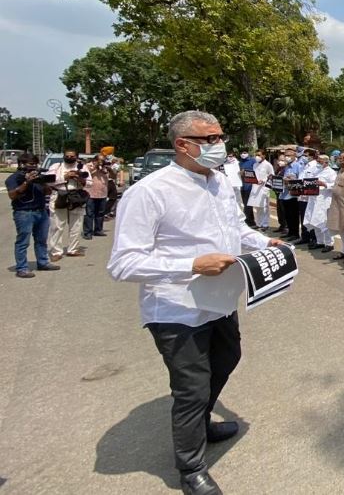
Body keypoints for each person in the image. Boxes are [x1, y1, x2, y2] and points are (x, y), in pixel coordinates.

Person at [108, 110, 282, 495]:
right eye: (209, 139)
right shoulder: (150, 191)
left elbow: (236, 228)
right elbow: (123, 263)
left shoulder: (220, 182)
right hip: (176, 309)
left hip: (220, 301)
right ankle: (191, 468)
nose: (219, 145)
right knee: (192, 388)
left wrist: (264, 242)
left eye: (220, 137)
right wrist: (190, 264)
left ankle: (202, 422)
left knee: (227, 359)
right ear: (182, 145)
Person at [6, 152, 60, 279]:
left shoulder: (38, 177)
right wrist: (27, 182)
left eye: (35, 164)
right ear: (22, 164)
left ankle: (43, 262)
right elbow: (12, 195)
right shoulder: (14, 178)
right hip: (24, 212)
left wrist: (42, 182)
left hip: (41, 211)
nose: (34, 166)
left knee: (41, 240)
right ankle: (22, 268)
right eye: (31, 164)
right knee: (23, 241)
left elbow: (48, 192)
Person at [47, 150, 88, 261]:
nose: (70, 157)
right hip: (60, 195)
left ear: (76, 157)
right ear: (63, 156)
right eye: (67, 156)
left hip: (76, 196)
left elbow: (90, 183)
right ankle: (56, 251)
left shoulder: (82, 167)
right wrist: (65, 177)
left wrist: (78, 178)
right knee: (57, 225)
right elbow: (49, 181)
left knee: (76, 225)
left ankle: (73, 249)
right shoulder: (56, 166)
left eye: (72, 156)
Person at [305, 154, 337, 252]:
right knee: (314, 221)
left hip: (324, 200)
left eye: (320, 161)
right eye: (317, 161)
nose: (318, 163)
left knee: (324, 222)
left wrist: (324, 184)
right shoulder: (316, 170)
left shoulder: (331, 172)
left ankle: (329, 243)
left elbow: (335, 185)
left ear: (326, 162)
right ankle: (320, 241)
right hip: (314, 199)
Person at [245, 150, 274, 231]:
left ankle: (265, 224)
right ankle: (259, 223)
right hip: (255, 187)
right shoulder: (255, 165)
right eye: (256, 155)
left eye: (259, 155)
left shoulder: (268, 165)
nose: (257, 156)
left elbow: (272, 175)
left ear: (264, 156)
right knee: (257, 206)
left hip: (264, 188)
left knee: (264, 207)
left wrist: (264, 180)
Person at [296, 148, 319, 246]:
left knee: (311, 217)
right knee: (303, 217)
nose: (304, 157)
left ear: (312, 156)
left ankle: (313, 238)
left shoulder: (315, 166)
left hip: (310, 196)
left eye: (306, 155)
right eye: (304, 155)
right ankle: (305, 236)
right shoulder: (304, 165)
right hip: (302, 195)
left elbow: (313, 181)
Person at [279, 149, 302, 242]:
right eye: (285, 155)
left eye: (289, 155)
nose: (287, 157)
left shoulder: (298, 166)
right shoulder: (286, 167)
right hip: (285, 194)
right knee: (287, 215)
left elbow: (300, 179)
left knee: (294, 215)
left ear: (294, 156)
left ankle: (295, 233)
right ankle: (290, 232)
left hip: (294, 195)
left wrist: (292, 179)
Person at [238, 150, 257, 227]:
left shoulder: (253, 161)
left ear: (248, 153)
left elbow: (255, 171)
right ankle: (250, 220)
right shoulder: (239, 162)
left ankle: (248, 220)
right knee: (245, 203)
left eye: (245, 152)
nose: (243, 154)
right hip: (242, 185)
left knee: (248, 204)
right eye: (242, 152)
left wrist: (245, 172)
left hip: (250, 185)